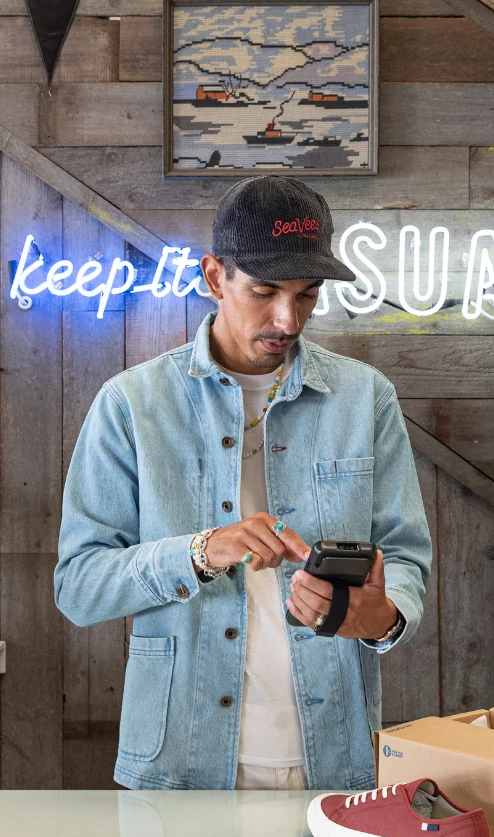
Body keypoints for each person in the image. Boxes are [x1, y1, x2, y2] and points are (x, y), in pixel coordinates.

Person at [54, 175, 433, 791]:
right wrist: (201, 552)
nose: (288, 318)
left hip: (335, 753)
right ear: (214, 278)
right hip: (181, 755)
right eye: (264, 291)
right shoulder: (132, 404)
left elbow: (407, 556)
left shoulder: (366, 399)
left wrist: (382, 617)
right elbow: (78, 586)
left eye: (307, 296)